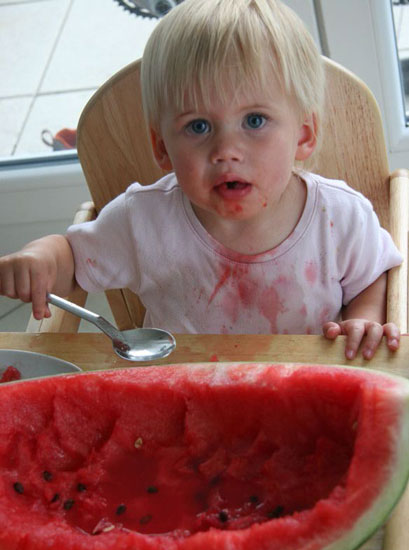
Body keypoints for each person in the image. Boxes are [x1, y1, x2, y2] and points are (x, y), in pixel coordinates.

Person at [0, 0, 403, 360]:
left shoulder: (339, 218)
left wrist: (363, 319)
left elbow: (372, 275)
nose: (226, 150)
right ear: (162, 148)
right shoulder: (144, 222)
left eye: (254, 121)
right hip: (183, 393)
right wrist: (42, 259)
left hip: (305, 392)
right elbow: (73, 260)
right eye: (198, 126)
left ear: (303, 134)